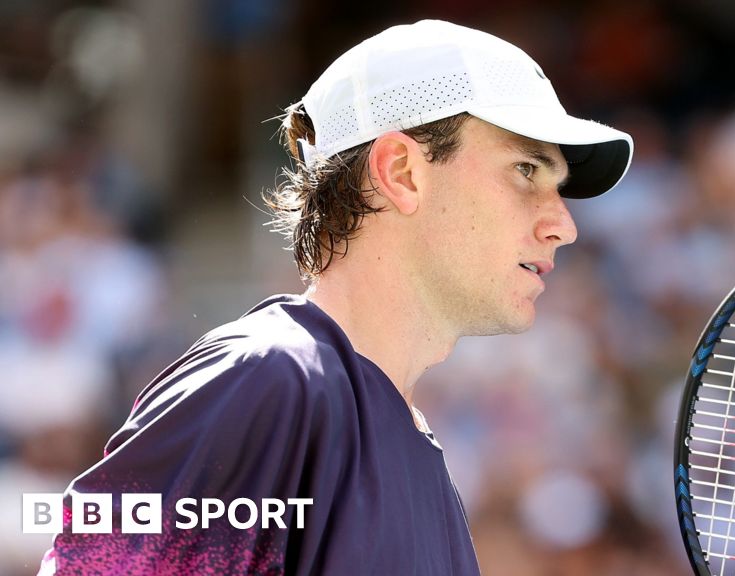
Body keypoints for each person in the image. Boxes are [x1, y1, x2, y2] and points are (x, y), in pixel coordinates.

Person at [38, 19, 632, 575]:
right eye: (526, 170)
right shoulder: (272, 381)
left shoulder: (416, 457)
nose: (564, 224)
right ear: (401, 171)